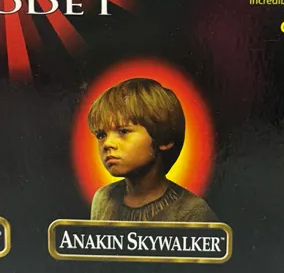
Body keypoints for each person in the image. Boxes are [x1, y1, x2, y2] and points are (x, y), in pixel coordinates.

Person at [87, 77, 218, 222]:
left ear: (164, 139)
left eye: (124, 131)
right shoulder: (103, 199)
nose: (107, 144)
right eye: (101, 135)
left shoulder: (192, 213)